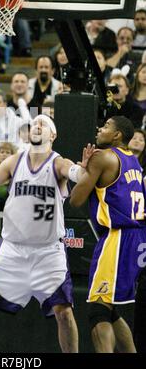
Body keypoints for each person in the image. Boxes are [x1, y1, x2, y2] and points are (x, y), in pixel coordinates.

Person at [0, 114, 88, 353]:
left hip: (48, 251)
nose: (37, 125)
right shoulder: (14, 161)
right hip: (12, 248)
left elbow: (76, 173)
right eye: (34, 123)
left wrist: (82, 170)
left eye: (43, 124)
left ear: (52, 136)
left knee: (64, 312)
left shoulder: (57, 163)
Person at [70, 116, 146, 353]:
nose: (99, 129)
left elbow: (75, 200)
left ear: (117, 136)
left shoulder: (102, 157)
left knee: (97, 309)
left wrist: (85, 169)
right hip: (138, 238)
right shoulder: (134, 161)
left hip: (118, 239)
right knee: (110, 309)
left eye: (106, 127)